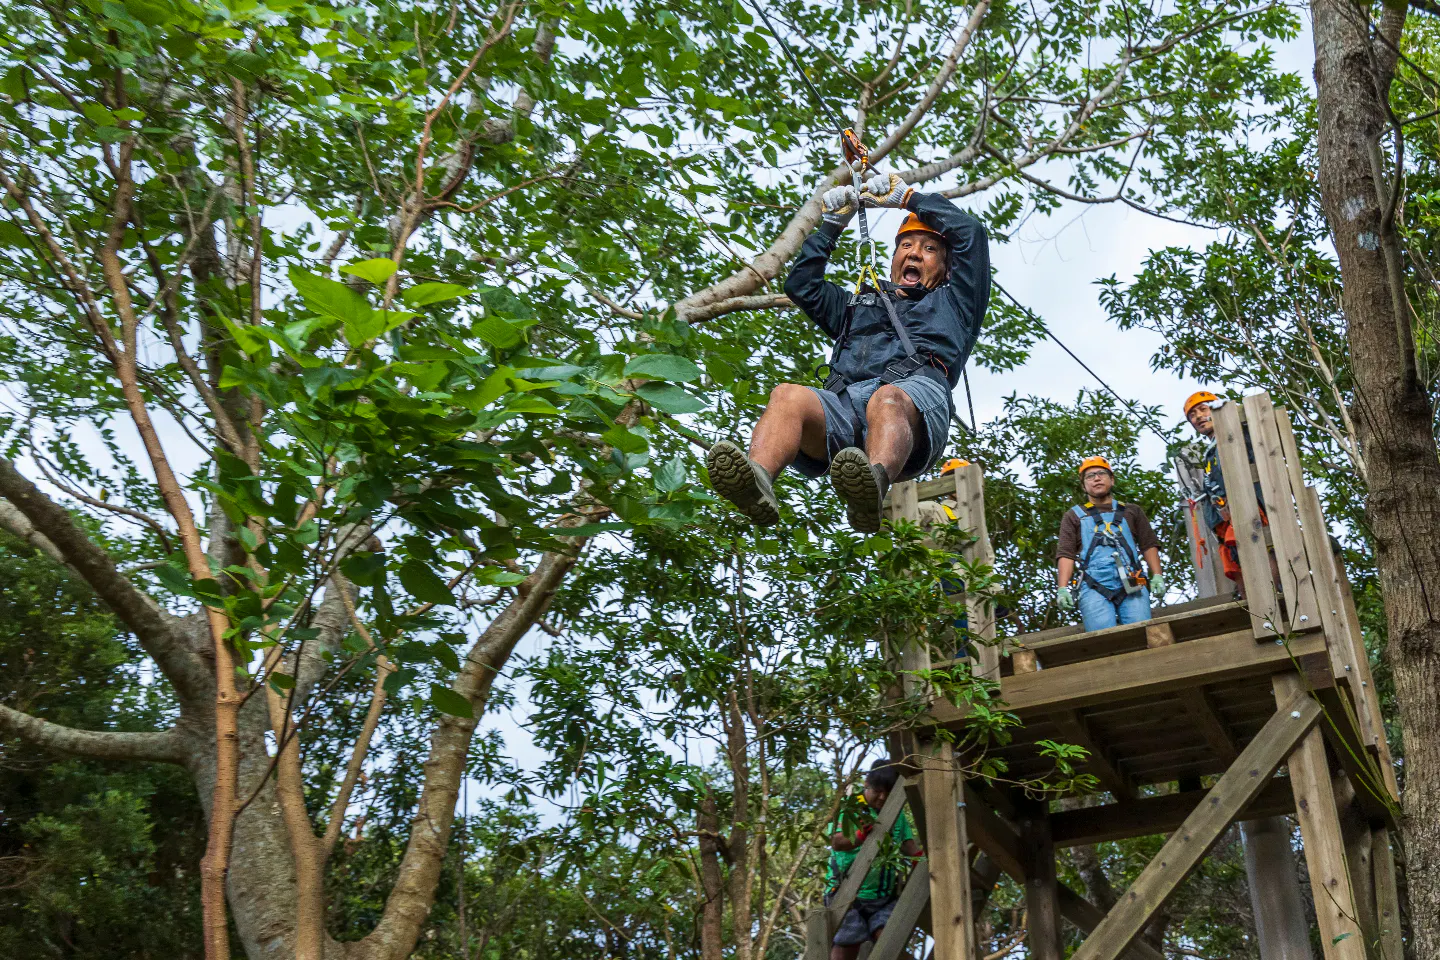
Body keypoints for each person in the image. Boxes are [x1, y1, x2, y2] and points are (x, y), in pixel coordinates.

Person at [706, 171, 990, 533]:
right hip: (847, 409)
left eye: (929, 249)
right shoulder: (859, 305)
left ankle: (872, 487)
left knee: (887, 398)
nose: (915, 253)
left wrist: (909, 199)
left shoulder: (957, 302)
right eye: (906, 245)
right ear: (894, 258)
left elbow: (971, 234)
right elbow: (802, 286)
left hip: (913, 405)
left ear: (946, 268)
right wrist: (831, 226)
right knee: (787, 395)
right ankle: (757, 482)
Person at [823, 759, 925, 960]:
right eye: (878, 791)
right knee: (848, 942)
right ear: (866, 784)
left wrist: (925, 863)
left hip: (882, 898)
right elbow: (836, 842)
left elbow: (909, 847)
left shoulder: (897, 815)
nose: (882, 797)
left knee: (889, 939)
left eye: (888, 792)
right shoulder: (850, 808)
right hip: (846, 894)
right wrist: (859, 835)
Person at [1056, 456, 1166, 631]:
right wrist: (1062, 589)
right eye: (1090, 476)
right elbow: (1066, 554)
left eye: (1101, 473)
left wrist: (1157, 576)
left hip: (1132, 579)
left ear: (1112, 480)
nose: (1097, 478)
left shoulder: (1132, 511)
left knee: (1140, 633)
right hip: (1094, 585)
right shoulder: (1074, 516)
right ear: (1084, 486)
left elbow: (1148, 544)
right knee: (1102, 637)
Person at [1183, 390, 1270, 597]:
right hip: (1226, 519)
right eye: (1193, 415)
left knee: (1265, 550)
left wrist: (1228, 412)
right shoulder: (1211, 451)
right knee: (1235, 558)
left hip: (1249, 507)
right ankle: (1253, 603)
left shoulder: (1235, 433)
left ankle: (1274, 595)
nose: (1198, 417)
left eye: (1203, 409)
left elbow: (1252, 437)